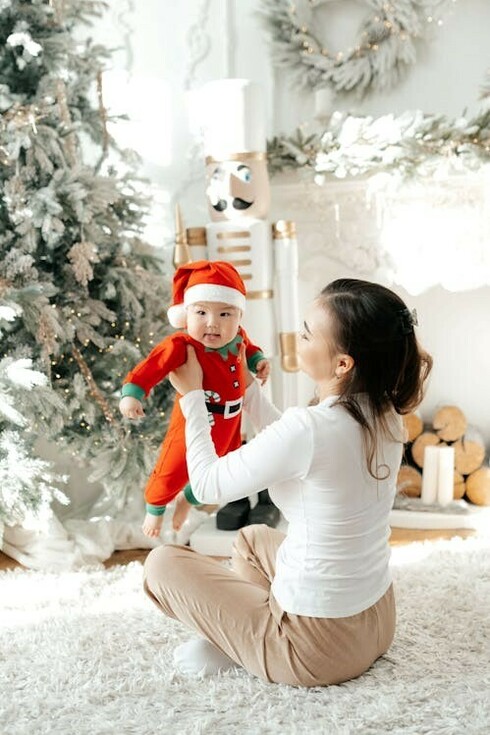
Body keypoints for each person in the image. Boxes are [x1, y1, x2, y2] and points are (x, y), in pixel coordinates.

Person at [142, 278, 433, 686]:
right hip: (376, 620)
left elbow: (207, 486)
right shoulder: (384, 412)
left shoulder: (310, 429)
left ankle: (246, 643)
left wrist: (192, 397)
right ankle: (242, 635)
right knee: (251, 539)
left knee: (161, 564)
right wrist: (250, 394)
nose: (298, 338)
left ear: (343, 364)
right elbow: (299, 446)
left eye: (308, 333)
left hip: (314, 648)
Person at [119, 260, 270, 538]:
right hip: (196, 418)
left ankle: (188, 500)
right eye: (201, 312)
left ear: (238, 317)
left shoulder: (237, 337)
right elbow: (152, 366)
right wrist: (133, 393)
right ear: (186, 314)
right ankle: (156, 507)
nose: (213, 323)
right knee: (173, 466)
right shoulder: (182, 345)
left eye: (225, 314)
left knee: (223, 471)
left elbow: (249, 348)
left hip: (232, 421)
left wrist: (258, 360)